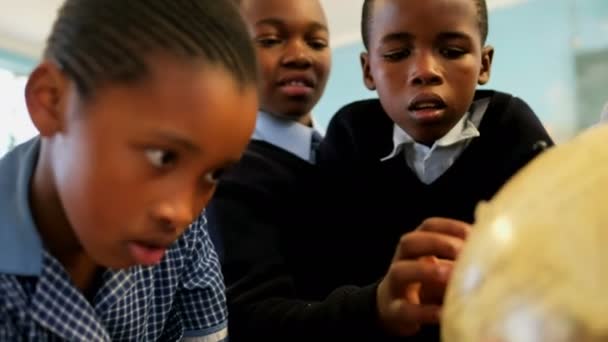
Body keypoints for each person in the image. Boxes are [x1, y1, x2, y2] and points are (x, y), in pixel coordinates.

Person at [0, 0, 258, 340]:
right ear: (51, 101)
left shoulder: (182, 232)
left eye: (212, 175)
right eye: (162, 157)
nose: (181, 213)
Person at [316, 0, 554, 340]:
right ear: (368, 70)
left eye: (452, 50)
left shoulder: (515, 134)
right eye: (398, 54)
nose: (425, 70)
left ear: (484, 63)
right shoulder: (350, 139)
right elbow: (322, 273)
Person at [204, 0, 335, 340]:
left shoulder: (345, 150)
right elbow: (254, 317)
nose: (299, 56)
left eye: (316, 42)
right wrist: (376, 308)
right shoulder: (226, 174)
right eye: (270, 40)